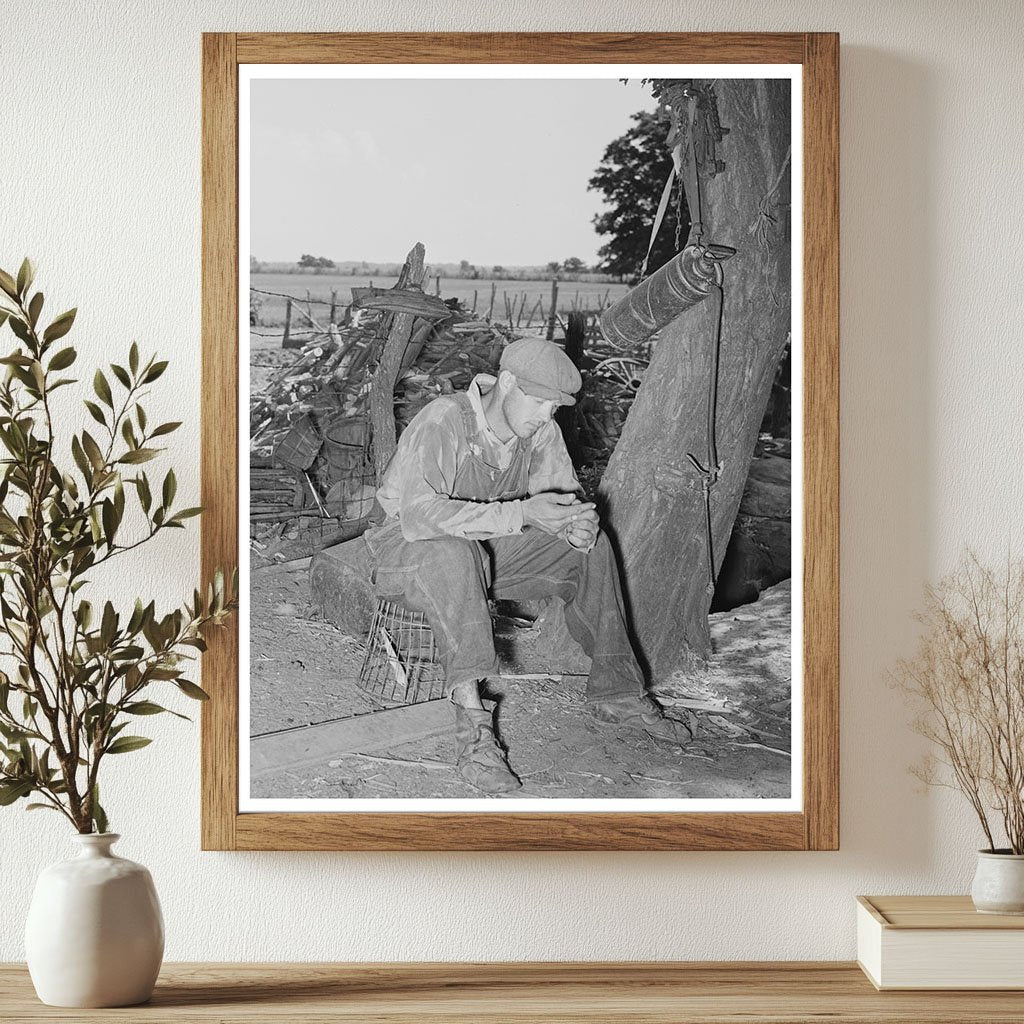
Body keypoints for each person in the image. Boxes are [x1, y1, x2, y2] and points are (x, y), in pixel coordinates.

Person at [363, 337, 691, 794]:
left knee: (590, 549)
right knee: (453, 552)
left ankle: (617, 694)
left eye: (553, 409)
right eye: (538, 402)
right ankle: (474, 728)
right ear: (508, 382)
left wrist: (577, 525)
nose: (544, 416)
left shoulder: (538, 431)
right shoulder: (445, 419)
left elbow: (564, 500)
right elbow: (421, 518)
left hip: (486, 546)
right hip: (406, 548)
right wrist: (522, 513)